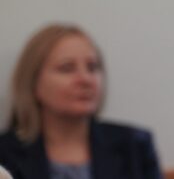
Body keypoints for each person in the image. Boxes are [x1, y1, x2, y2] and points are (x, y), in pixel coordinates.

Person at [0, 23, 162, 179]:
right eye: (67, 68)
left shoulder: (135, 144)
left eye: (92, 67)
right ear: (33, 82)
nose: (86, 79)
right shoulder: (5, 153)